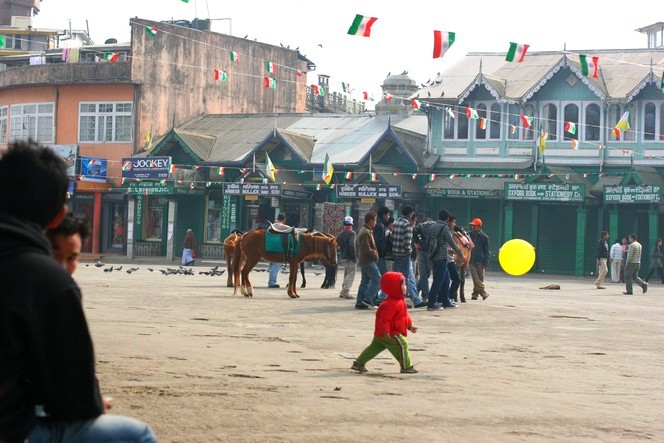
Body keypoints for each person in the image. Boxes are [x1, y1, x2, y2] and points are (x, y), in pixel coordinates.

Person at [0, 141, 156, 442]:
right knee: (137, 435)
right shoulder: (47, 281)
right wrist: (95, 402)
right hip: (13, 430)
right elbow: (74, 397)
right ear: (58, 215)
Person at [350, 271, 419, 374]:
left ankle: (359, 363)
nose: (406, 287)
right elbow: (384, 319)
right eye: (403, 284)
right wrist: (386, 331)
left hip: (380, 333)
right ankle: (406, 367)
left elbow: (404, 316)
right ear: (394, 288)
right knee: (402, 345)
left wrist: (410, 325)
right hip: (390, 333)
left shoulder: (398, 301)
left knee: (374, 348)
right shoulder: (391, 303)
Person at [427, 210, 466, 311]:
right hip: (442, 258)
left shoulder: (432, 227)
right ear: (447, 219)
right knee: (438, 281)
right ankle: (431, 304)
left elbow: (428, 241)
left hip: (434, 257)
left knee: (446, 280)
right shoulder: (444, 228)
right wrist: (461, 255)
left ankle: (446, 302)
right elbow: (452, 243)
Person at [390, 205, 427, 308]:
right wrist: (410, 252)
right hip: (404, 255)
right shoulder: (407, 225)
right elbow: (408, 242)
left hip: (395, 254)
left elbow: (392, 239)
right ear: (410, 214)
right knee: (409, 278)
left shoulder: (396, 223)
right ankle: (416, 300)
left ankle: (389, 298)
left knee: (396, 279)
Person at [355, 211, 382, 309]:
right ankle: (368, 299)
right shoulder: (366, 232)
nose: (375, 222)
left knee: (365, 281)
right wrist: (375, 253)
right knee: (378, 279)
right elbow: (366, 248)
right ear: (370, 220)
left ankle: (360, 302)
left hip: (364, 260)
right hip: (367, 260)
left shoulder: (366, 230)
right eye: (375, 220)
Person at [414, 216, 436, 303]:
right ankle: (425, 295)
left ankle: (417, 291)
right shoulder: (435, 224)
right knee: (427, 274)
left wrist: (418, 242)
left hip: (422, 251)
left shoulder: (421, 225)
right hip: (430, 252)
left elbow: (414, 230)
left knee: (423, 275)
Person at [469, 218, 490, 300]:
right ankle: (483, 293)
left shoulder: (485, 237)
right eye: (472, 225)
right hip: (471, 260)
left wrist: (485, 263)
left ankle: (475, 294)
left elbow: (486, 251)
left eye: (475, 225)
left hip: (481, 261)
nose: (473, 227)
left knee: (480, 279)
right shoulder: (469, 235)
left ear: (479, 226)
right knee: (475, 277)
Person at [337, 215, 357, 299]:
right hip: (350, 257)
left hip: (343, 257)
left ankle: (343, 291)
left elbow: (337, 242)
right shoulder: (352, 233)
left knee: (346, 274)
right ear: (351, 224)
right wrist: (354, 257)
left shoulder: (341, 233)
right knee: (351, 274)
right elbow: (352, 245)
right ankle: (345, 291)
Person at [446, 215, 463, 303]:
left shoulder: (451, 230)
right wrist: (460, 253)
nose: (454, 224)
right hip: (447, 259)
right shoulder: (446, 231)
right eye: (453, 222)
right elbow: (449, 244)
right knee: (456, 279)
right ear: (448, 222)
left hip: (448, 259)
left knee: (445, 280)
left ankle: (445, 298)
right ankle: (448, 297)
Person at [267, 213, 288, 288]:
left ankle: (271, 281)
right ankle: (272, 283)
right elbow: (293, 229)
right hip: (277, 248)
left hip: (269, 247)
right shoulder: (281, 226)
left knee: (272, 265)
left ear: (277, 218)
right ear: (284, 219)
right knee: (275, 265)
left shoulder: (272, 225)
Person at [374, 206, 391, 275]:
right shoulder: (380, 225)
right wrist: (385, 250)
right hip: (380, 255)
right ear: (384, 215)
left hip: (376, 254)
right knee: (382, 276)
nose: (388, 216)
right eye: (388, 214)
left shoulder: (376, 223)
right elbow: (380, 241)